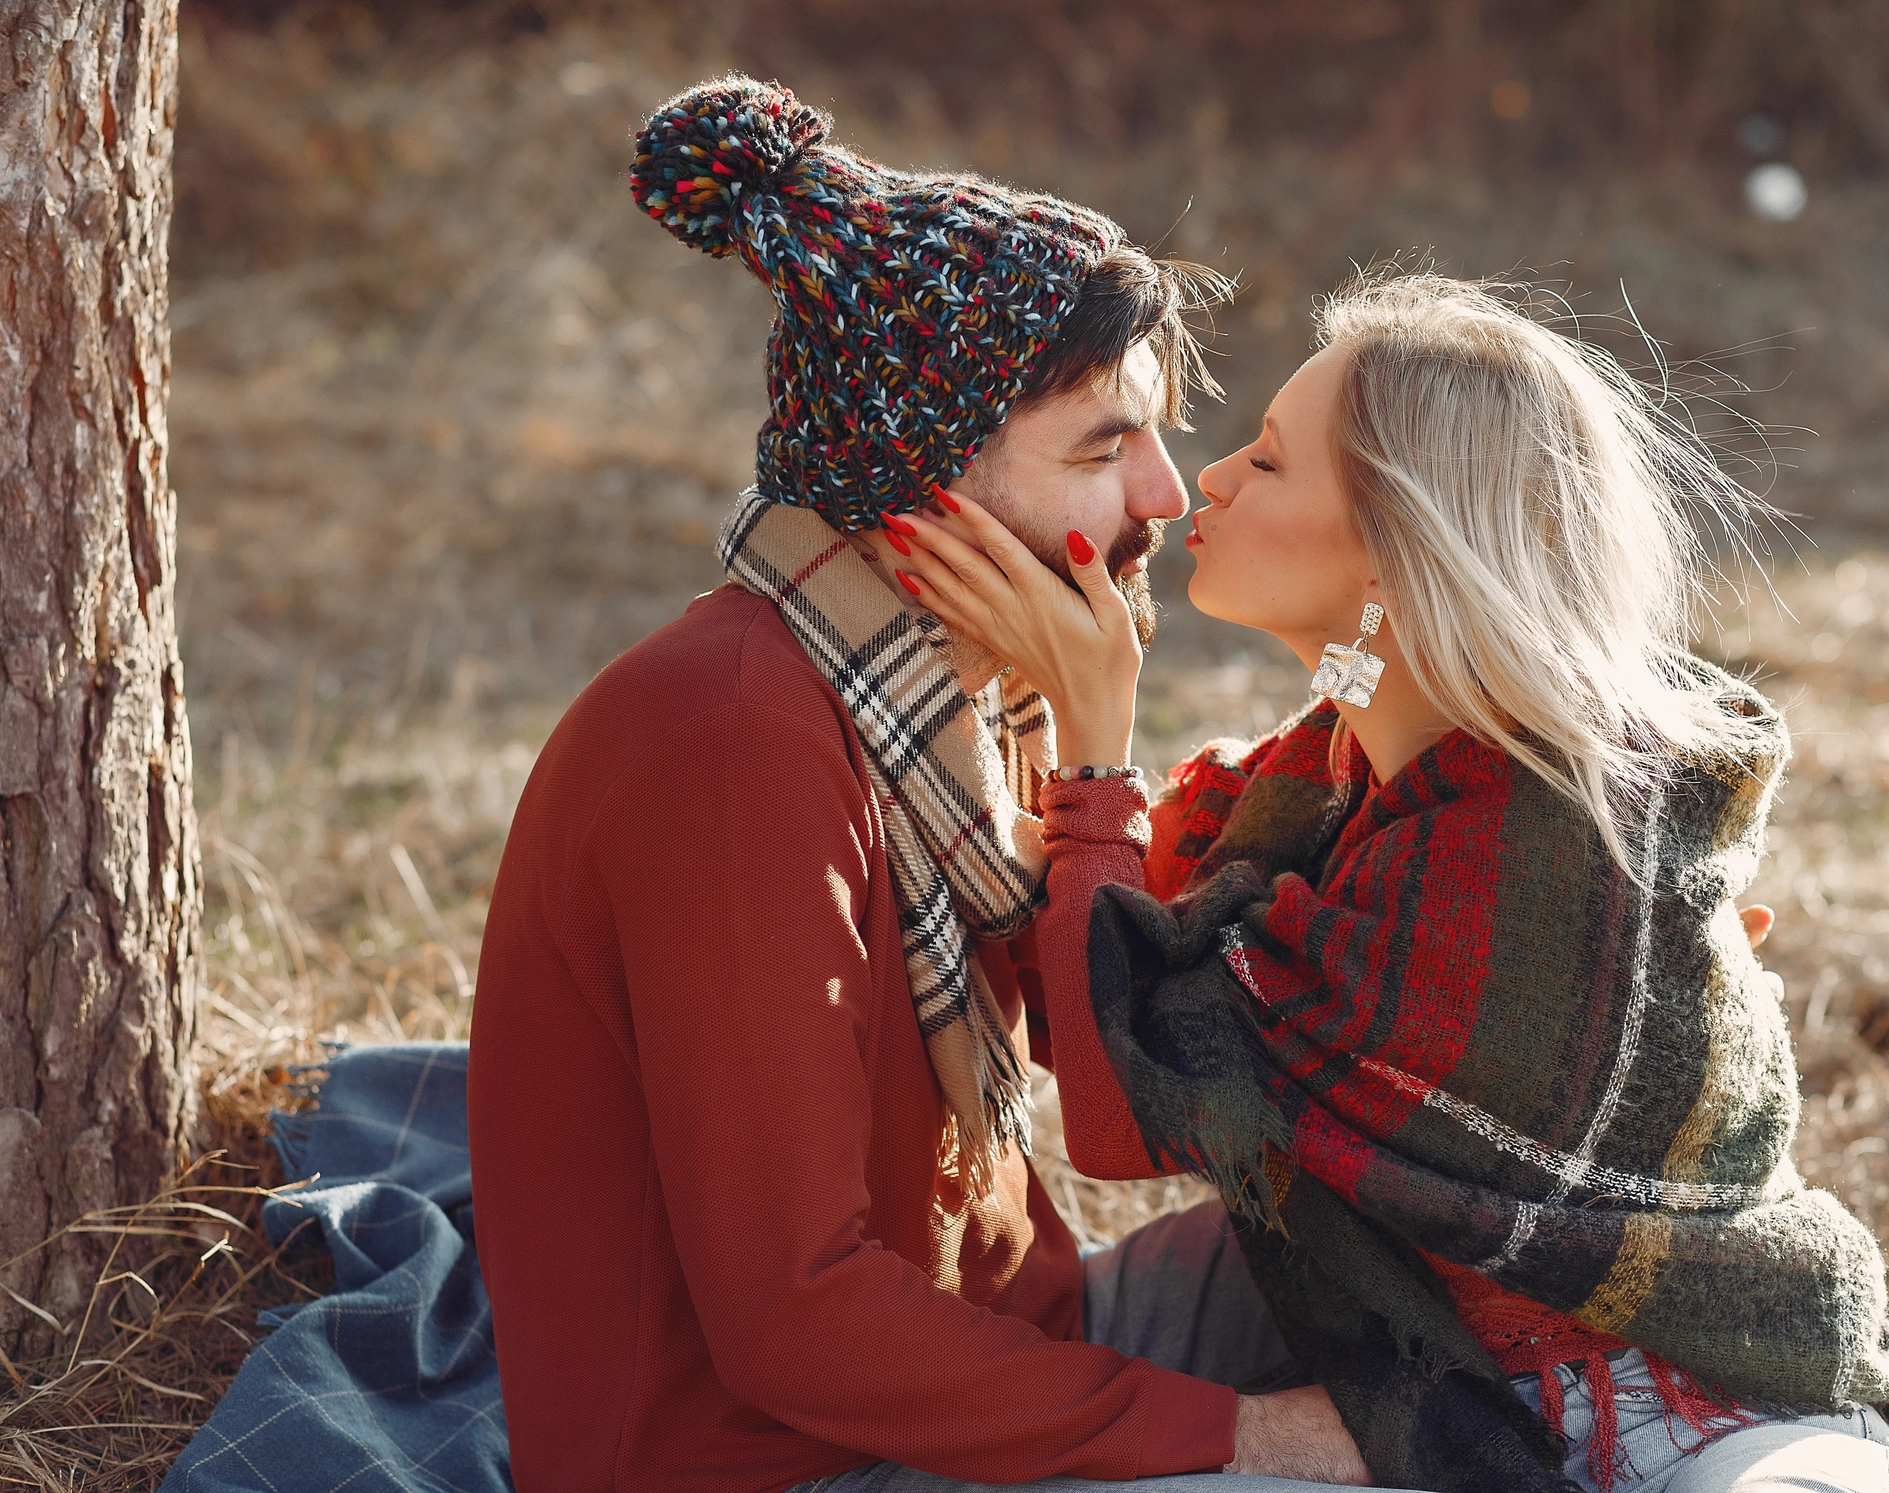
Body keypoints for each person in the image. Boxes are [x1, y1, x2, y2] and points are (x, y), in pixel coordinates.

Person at [896, 275, 1889, 1493]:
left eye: (1271, 462)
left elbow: (1130, 1086)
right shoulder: (1320, 785)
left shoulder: (1545, 838)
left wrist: (1092, 733)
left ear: (1398, 548)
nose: (1203, 480)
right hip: (1475, 1405)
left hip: (1702, 1410)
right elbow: (1117, 952)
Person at [468, 74, 1385, 1493]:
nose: (1162, 492)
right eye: (1101, 446)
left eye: (1151, 430)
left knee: (1446, 1271)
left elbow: (1106, 1079)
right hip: (784, 1460)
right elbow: (795, 1322)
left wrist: (1094, 753)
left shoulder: (963, 689)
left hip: (1010, 1347)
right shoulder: (731, 740)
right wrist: (1247, 1440)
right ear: (918, 495)